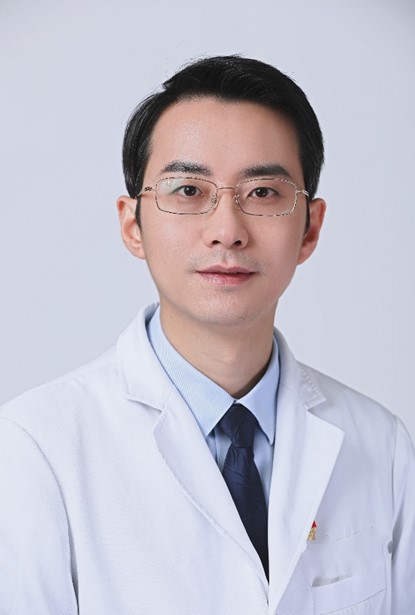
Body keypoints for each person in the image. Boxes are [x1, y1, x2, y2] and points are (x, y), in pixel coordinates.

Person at [0, 55, 414, 615]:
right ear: (133, 224)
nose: (227, 231)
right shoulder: (35, 449)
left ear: (310, 228)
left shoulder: (381, 445)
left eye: (263, 192)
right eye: (188, 190)